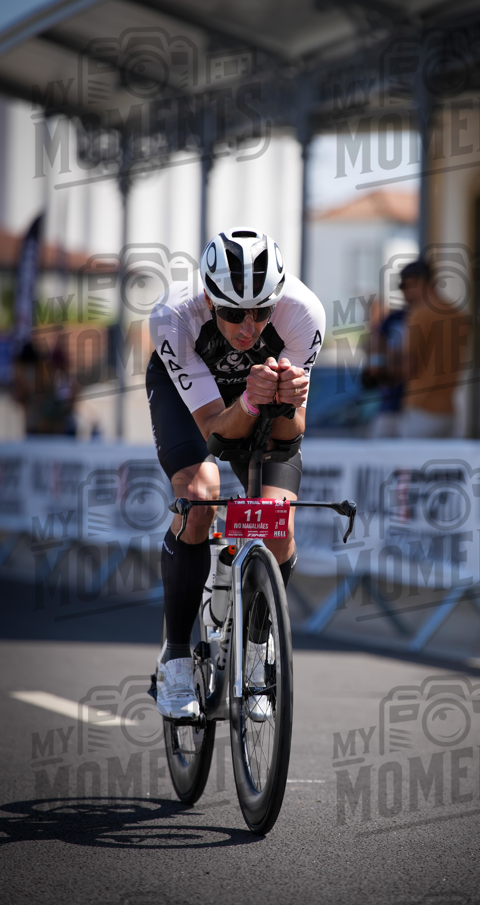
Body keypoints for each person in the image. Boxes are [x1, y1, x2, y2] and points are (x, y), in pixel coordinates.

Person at [146, 227, 325, 719]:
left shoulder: (304, 314)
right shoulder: (172, 317)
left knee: (277, 521)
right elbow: (214, 435)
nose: (248, 329)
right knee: (200, 495)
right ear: (208, 298)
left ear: (278, 301)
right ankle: (176, 655)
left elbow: (288, 437)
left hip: (258, 399)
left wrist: (287, 399)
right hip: (194, 405)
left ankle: (257, 642)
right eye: (231, 314)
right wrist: (248, 398)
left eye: (261, 313)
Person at [397, 259, 467, 438]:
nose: (403, 293)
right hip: (449, 411)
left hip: (422, 408)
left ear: (417, 281)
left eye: (404, 286)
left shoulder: (420, 313)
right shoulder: (457, 315)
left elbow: (410, 367)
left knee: (412, 465)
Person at [362, 299, 406, 438]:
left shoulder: (391, 330)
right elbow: (369, 380)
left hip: (397, 407)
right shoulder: (375, 340)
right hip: (383, 407)